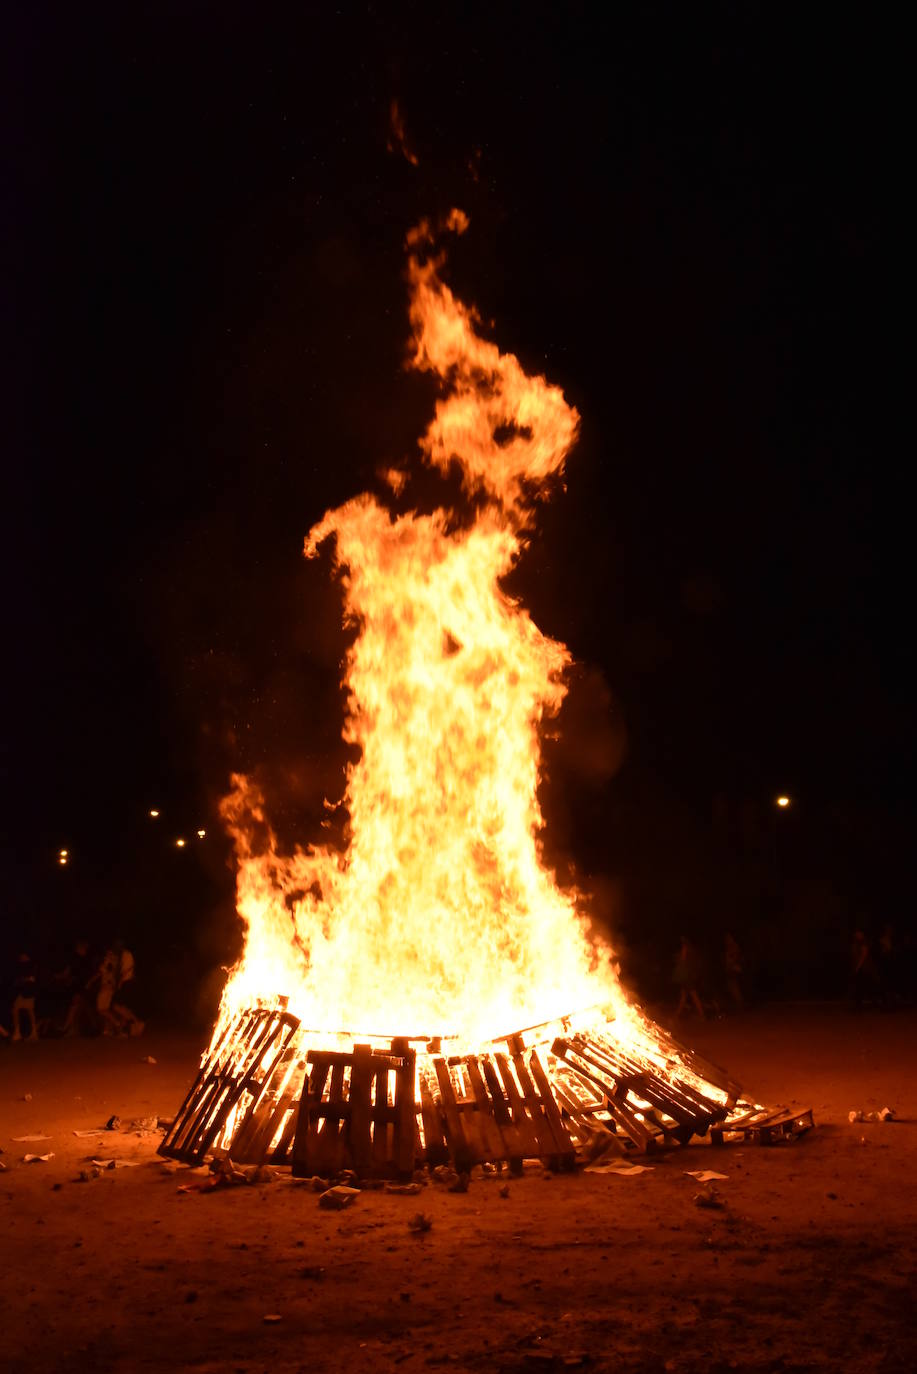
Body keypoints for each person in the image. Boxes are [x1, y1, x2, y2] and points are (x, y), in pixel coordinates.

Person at [92, 940, 144, 1036]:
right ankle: (124, 1027)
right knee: (118, 1007)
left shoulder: (121, 956)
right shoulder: (120, 955)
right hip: (121, 984)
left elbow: (120, 971)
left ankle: (128, 1024)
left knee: (114, 1007)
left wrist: (116, 982)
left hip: (125, 983)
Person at [673, 936, 705, 1019]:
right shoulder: (692, 949)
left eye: (683, 939)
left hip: (687, 976)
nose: (681, 941)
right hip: (689, 975)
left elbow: (683, 961)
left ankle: (702, 1015)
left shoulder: (686, 948)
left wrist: (678, 958)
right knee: (684, 996)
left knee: (693, 995)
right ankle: (676, 1015)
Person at [11, 952, 39, 1041]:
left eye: (22, 955)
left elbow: (32, 979)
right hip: (23, 992)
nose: (20, 957)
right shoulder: (21, 966)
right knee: (16, 1009)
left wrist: (24, 979)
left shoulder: (31, 965)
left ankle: (33, 1032)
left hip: (29, 992)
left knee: (28, 1010)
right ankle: (19, 1032)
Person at [850, 928, 878, 1009]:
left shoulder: (864, 942)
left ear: (862, 934)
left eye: (858, 933)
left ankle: (873, 1001)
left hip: (865, 968)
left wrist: (858, 967)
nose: (857, 935)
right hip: (860, 968)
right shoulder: (856, 943)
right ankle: (860, 1002)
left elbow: (864, 955)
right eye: (856, 933)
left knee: (865, 985)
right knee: (861, 985)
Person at [724, 931, 744, 1009]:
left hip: (733, 969)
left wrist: (732, 961)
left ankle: (740, 1004)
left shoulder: (734, 946)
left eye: (729, 938)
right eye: (726, 938)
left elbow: (736, 957)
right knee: (731, 987)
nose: (727, 939)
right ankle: (738, 1004)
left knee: (734, 987)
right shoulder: (729, 946)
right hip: (730, 969)